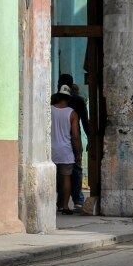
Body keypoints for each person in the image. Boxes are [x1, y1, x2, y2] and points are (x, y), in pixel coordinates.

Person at [57, 74, 89, 209]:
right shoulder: (78, 101)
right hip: (72, 141)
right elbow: (85, 123)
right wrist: (90, 140)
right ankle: (78, 200)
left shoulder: (53, 100)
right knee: (76, 170)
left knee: (60, 173)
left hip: (56, 141)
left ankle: (61, 202)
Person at [51, 85, 81, 214]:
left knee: (51, 179)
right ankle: (64, 207)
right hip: (65, 151)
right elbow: (75, 135)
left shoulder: (49, 110)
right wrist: (79, 151)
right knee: (66, 179)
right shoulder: (72, 113)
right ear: (69, 98)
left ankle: (49, 206)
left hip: (50, 149)